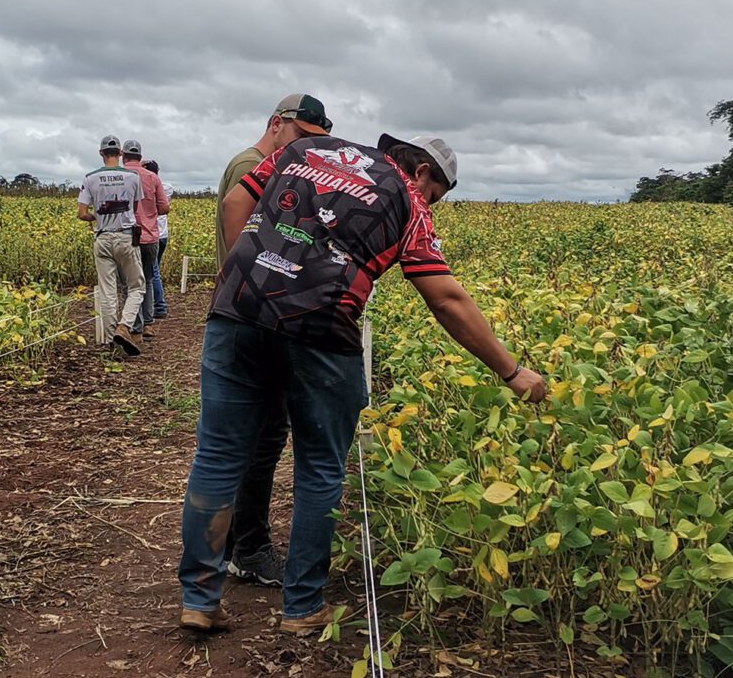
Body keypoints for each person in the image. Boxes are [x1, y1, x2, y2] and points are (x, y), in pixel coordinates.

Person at [177, 130, 546, 636]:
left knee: (218, 454)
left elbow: (235, 201)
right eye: (435, 194)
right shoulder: (408, 198)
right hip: (320, 327)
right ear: (422, 172)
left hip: (236, 311)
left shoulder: (304, 151)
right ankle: (302, 608)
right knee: (320, 468)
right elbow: (445, 297)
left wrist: (244, 277)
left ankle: (199, 600)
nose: (431, 203)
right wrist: (511, 370)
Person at [215, 94, 334, 589]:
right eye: (301, 136)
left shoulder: (265, 163)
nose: (307, 148)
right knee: (259, 440)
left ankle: (229, 548)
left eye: (315, 141)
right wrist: (255, 288)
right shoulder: (255, 166)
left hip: (251, 316)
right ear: (276, 124)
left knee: (250, 438)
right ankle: (248, 548)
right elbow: (246, 226)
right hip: (256, 320)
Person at [77, 135, 146, 357]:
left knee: (107, 291)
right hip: (125, 237)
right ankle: (124, 326)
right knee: (136, 287)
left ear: (101, 153)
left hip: (102, 237)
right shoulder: (133, 177)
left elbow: (82, 213)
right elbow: (134, 208)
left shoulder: (90, 178)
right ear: (120, 154)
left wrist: (96, 217)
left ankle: (110, 341)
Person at [122, 140, 169, 339]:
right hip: (150, 236)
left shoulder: (120, 175)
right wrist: (148, 212)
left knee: (129, 283)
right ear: (140, 157)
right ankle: (149, 325)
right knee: (148, 280)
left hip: (127, 236)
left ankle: (135, 326)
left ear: (123, 156)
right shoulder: (152, 177)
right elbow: (164, 208)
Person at [142, 160, 173, 319]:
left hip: (152, 235)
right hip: (163, 236)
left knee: (152, 273)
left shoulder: (148, 187)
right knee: (154, 271)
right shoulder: (166, 187)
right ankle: (155, 303)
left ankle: (159, 306)